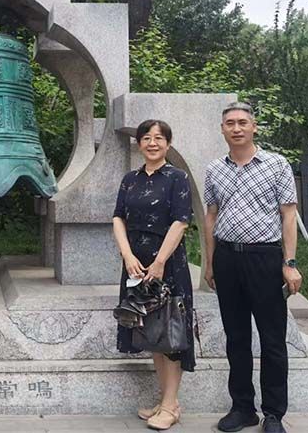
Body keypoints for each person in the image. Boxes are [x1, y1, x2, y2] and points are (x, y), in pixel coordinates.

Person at [204, 102, 301, 433]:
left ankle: (273, 413)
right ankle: (242, 408)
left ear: (254, 127)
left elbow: (288, 215)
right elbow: (211, 216)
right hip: (227, 258)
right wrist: (210, 262)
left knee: (272, 339)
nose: (236, 128)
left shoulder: (276, 164)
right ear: (222, 129)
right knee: (236, 337)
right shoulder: (214, 169)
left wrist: (289, 263)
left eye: (242, 122)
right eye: (230, 123)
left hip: (265, 258)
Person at [112, 119, 194, 431]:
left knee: (170, 332)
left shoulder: (177, 178)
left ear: (168, 144)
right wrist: (127, 255)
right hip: (136, 265)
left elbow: (181, 221)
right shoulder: (130, 179)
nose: (152, 143)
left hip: (167, 265)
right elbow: (118, 218)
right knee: (152, 332)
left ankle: (171, 405)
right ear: (139, 144)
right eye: (146, 138)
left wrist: (160, 261)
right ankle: (165, 401)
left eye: (159, 138)